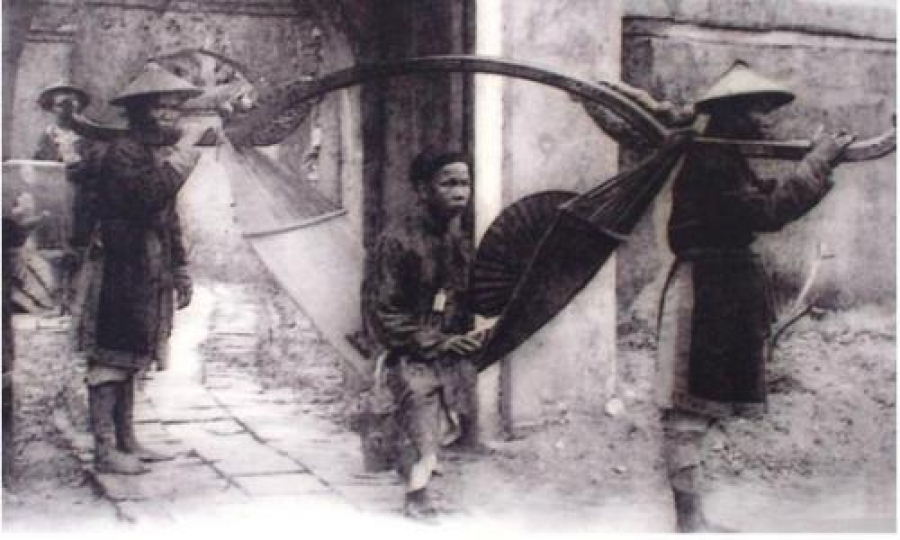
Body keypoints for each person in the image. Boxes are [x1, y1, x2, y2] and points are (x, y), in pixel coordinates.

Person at [652, 61, 854, 532]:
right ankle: (689, 523)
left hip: (724, 287)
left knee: (699, 405)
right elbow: (766, 211)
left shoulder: (725, 158)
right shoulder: (710, 161)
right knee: (687, 405)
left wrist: (816, 165)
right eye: (756, 109)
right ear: (731, 113)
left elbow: (763, 199)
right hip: (704, 290)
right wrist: (816, 164)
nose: (766, 119)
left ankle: (694, 519)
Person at [84, 63, 203, 475]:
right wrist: (185, 159)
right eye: (161, 107)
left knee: (134, 352)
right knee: (112, 352)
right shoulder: (123, 152)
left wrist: (180, 268)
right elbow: (146, 197)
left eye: (175, 108)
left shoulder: (153, 153)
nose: (171, 115)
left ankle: (127, 439)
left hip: (146, 265)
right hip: (119, 264)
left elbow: (169, 217)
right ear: (140, 111)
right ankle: (105, 450)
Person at [363, 149, 483, 518]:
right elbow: (382, 312)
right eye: (448, 183)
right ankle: (416, 494)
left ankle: (426, 471)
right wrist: (435, 341)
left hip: (446, 346)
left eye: (464, 183)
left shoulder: (456, 240)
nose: (459, 192)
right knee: (418, 393)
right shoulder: (397, 240)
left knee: (457, 403)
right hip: (404, 347)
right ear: (422, 189)